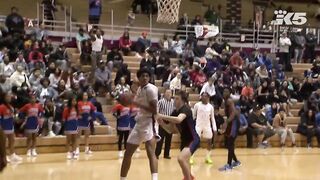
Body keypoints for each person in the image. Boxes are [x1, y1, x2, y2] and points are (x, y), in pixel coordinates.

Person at [120, 68, 159, 180]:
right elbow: (135, 103)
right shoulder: (140, 89)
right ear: (139, 77)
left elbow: (154, 110)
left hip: (149, 122)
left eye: (147, 75)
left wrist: (134, 102)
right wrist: (128, 101)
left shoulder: (151, 89)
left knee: (150, 152)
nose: (145, 78)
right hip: (139, 122)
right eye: (143, 76)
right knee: (128, 153)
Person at [157, 91, 199, 180]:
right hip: (184, 140)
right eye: (174, 98)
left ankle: (188, 178)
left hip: (193, 139)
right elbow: (171, 130)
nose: (174, 100)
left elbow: (179, 120)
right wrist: (162, 124)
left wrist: (161, 115)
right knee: (185, 162)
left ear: (182, 100)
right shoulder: (175, 112)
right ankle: (189, 177)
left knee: (181, 158)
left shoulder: (186, 109)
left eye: (177, 98)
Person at [191, 92, 216, 165]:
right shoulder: (197, 105)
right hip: (198, 125)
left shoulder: (211, 107)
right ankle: (191, 157)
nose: (204, 98)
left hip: (207, 125)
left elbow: (212, 118)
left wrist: (214, 128)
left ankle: (208, 157)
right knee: (195, 141)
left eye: (206, 96)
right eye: (203, 96)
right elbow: (194, 116)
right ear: (201, 97)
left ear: (208, 98)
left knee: (209, 141)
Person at [219, 89, 241, 171]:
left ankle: (229, 165)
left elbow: (233, 113)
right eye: (223, 91)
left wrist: (226, 122)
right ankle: (236, 161)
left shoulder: (229, 101)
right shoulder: (225, 101)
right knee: (229, 144)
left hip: (234, 123)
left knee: (230, 143)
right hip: (232, 123)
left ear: (229, 93)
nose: (224, 93)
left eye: (226, 92)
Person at [0, 93, 22, 162]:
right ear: (4, 98)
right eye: (7, 97)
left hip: (10, 127)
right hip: (3, 127)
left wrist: (17, 120)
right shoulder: (1, 107)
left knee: (12, 141)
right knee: (3, 143)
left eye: (10, 97)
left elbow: (12, 117)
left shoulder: (11, 107)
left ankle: (12, 155)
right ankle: (4, 156)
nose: (9, 98)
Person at [155, 89, 174, 159]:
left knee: (169, 139)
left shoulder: (173, 102)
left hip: (170, 122)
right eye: (167, 93)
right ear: (164, 94)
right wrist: (160, 121)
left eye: (170, 93)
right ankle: (157, 154)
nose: (169, 94)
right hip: (162, 122)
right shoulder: (160, 102)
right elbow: (157, 112)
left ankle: (166, 154)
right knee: (161, 139)